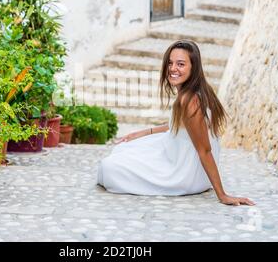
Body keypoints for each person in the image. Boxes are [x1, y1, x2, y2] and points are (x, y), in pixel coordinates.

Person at [97, 40, 255, 206]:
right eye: (170, 63)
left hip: (185, 173)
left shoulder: (190, 100)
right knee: (125, 148)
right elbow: (181, 126)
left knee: (109, 168)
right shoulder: (194, 91)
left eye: (180, 64)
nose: (173, 69)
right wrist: (142, 133)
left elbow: (205, 150)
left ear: (193, 67)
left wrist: (222, 195)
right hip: (188, 165)